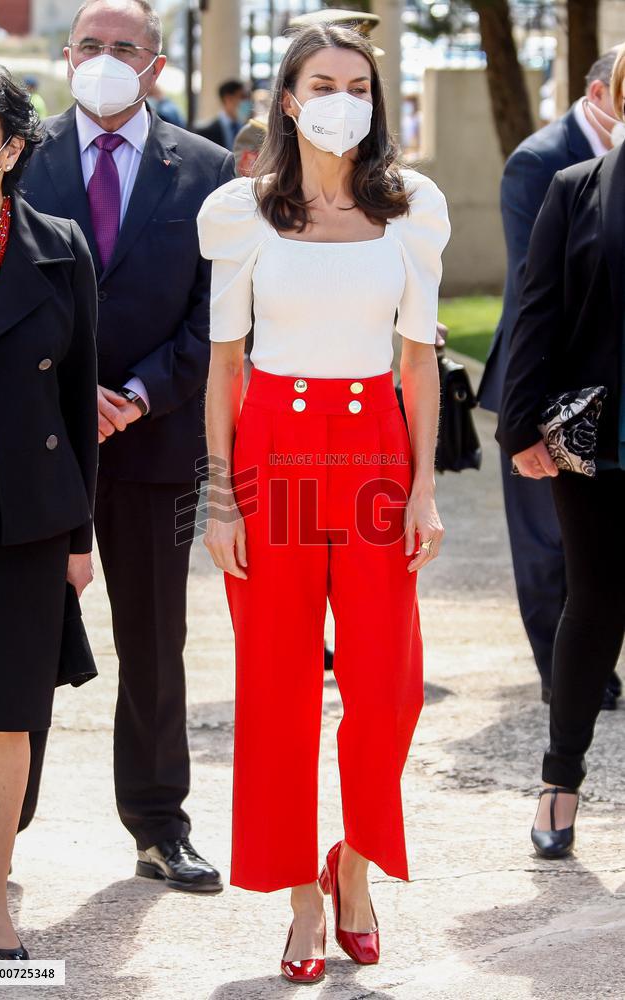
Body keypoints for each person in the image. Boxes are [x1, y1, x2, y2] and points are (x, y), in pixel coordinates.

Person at [198, 23, 450, 981]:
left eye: (358, 81)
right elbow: (226, 362)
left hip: (376, 454)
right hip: (273, 449)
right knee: (276, 682)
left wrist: (423, 484)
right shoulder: (242, 210)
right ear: (291, 98)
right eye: (322, 80)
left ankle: (353, 862)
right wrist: (220, 499)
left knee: (385, 683)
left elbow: (419, 360)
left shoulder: (412, 206)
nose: (342, 95)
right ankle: (301, 900)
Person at [19, 0, 234, 893]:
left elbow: (214, 315)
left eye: (125, 48)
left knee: (155, 641)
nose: (107, 59)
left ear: (154, 65)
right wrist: (69, 394)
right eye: (92, 46)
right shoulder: (17, 159)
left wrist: (138, 395)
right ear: (68, 56)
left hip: (152, 441)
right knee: (17, 635)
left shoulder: (211, 171)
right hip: (34, 439)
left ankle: (156, 824)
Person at [0, 58, 98, 959]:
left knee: (8, 714)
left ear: (10, 150)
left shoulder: (61, 248)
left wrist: (79, 538)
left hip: (24, 518)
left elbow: (78, 404)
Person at [496, 43, 625, 862]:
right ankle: (558, 781)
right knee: (593, 607)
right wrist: (520, 427)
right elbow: (533, 312)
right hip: (601, 443)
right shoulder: (575, 190)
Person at [194, 79, 250, 151]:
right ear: (228, 98)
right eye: (242, 97)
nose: (247, 101)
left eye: (248, 97)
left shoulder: (248, 130)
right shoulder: (205, 133)